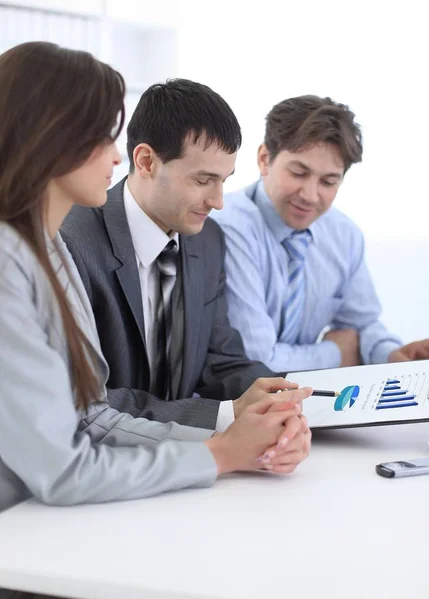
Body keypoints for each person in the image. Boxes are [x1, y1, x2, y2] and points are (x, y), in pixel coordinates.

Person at [0, 42, 311, 599]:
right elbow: (66, 465)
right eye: (100, 139)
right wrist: (219, 451)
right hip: (25, 543)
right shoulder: (33, 253)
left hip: (67, 524)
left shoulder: (48, 250)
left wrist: (254, 420)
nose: (114, 158)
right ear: (49, 139)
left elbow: (90, 417)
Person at [60, 78, 276, 433]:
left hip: (190, 464)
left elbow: (218, 363)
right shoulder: (72, 241)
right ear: (146, 161)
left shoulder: (208, 240)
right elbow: (87, 402)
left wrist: (287, 396)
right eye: (203, 180)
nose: (218, 201)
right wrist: (225, 416)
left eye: (224, 180)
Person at [212, 94, 429, 373]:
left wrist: (392, 355)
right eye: (298, 173)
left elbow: (361, 324)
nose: (310, 195)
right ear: (264, 160)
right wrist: (336, 354)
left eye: (328, 181)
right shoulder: (229, 227)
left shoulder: (343, 235)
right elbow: (257, 357)